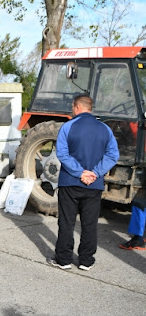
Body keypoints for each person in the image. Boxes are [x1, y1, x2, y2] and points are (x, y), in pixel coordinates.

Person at [47, 95, 119, 271]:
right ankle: (86, 261)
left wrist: (80, 173)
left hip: (69, 183)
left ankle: (63, 260)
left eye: (72, 106)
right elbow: (112, 155)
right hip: (93, 185)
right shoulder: (105, 129)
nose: (72, 109)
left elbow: (62, 154)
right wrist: (94, 173)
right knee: (89, 224)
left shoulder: (68, 127)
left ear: (77, 106)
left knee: (66, 222)